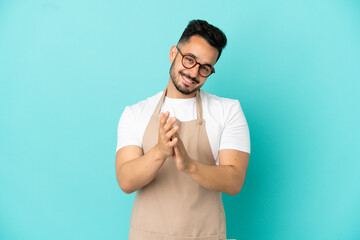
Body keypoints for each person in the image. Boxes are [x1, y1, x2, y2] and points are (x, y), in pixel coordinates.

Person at [115, 19, 250, 240]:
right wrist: (160, 152)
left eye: (205, 68)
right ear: (173, 54)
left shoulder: (228, 110)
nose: (193, 72)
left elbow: (234, 181)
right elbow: (126, 181)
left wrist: (189, 165)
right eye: (189, 60)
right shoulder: (135, 113)